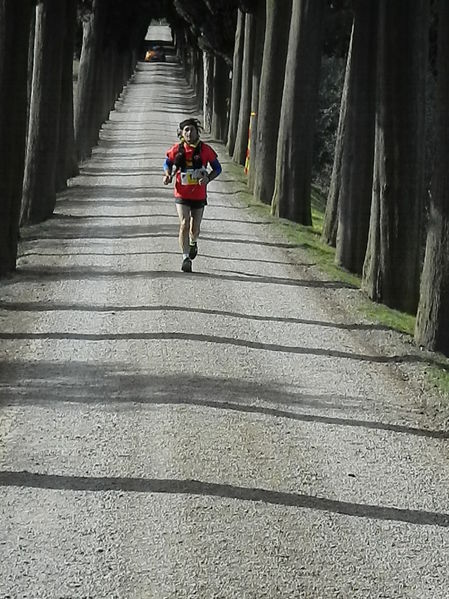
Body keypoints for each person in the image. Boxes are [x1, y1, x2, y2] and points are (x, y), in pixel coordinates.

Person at [163, 118, 222, 272]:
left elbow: (217, 168)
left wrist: (208, 178)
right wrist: (167, 174)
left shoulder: (205, 150)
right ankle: (185, 258)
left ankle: (193, 242)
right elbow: (167, 163)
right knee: (184, 223)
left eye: (192, 130)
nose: (189, 133)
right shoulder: (177, 149)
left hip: (199, 195)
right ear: (182, 133)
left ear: (197, 132)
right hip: (181, 193)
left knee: (194, 229)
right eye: (186, 130)